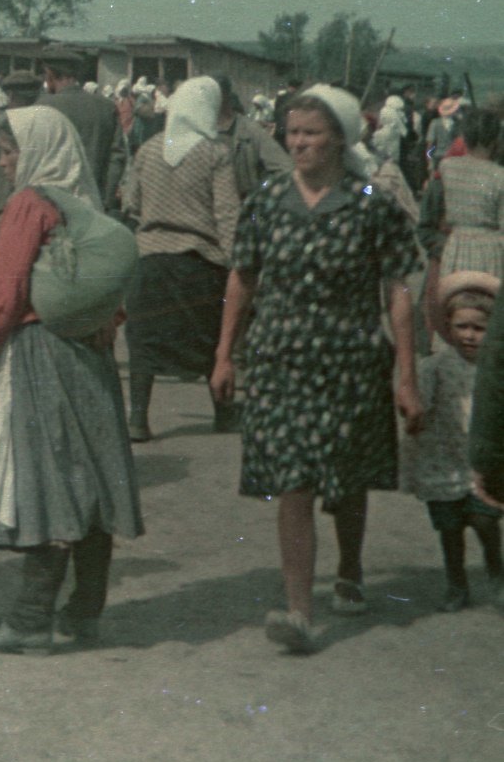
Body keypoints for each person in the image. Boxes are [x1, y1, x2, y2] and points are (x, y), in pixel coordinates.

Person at [210, 84, 424, 655]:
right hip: (279, 362)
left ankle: (350, 566)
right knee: (295, 480)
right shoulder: (264, 200)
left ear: (341, 138)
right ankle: (299, 610)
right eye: (293, 132)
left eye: (312, 132)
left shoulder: (373, 199)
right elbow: (243, 278)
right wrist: (224, 353)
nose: (299, 142)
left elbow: (398, 287)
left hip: (350, 361)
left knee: (347, 474)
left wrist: (407, 374)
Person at [0, 107, 141, 652]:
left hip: (40, 359)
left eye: (10, 152)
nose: (4, 164)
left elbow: (3, 293)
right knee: (90, 480)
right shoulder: (83, 202)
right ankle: (85, 611)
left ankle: (31, 619)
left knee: (46, 481)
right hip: (89, 363)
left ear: (32, 153)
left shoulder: (29, 204)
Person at [118, 77, 243, 441]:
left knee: (144, 341)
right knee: (210, 338)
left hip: (150, 259)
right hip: (200, 261)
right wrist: (238, 263)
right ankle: (223, 412)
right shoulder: (215, 152)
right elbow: (227, 213)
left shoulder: (150, 149)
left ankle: (138, 419)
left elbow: (132, 204)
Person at [403, 273, 503, 611]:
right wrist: (414, 412)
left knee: (486, 520)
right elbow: (420, 402)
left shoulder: (496, 367)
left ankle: (496, 571)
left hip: (480, 461)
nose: (470, 336)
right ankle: (456, 583)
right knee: (450, 527)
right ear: (448, 326)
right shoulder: (436, 366)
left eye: (479, 328)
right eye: (462, 327)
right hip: (443, 458)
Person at [417, 108, 504, 319]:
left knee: (455, 306)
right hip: (490, 249)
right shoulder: (499, 176)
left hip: (454, 246)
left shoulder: (447, 166)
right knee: (484, 310)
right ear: (496, 139)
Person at [38, 46, 127, 206]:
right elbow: (117, 157)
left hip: (53, 202)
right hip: (94, 201)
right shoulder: (106, 106)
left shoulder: (42, 106)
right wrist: (105, 200)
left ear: (50, 74)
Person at [212, 74, 291, 203]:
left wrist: (259, 195)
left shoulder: (249, 130)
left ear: (225, 95)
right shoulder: (197, 132)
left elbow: (285, 168)